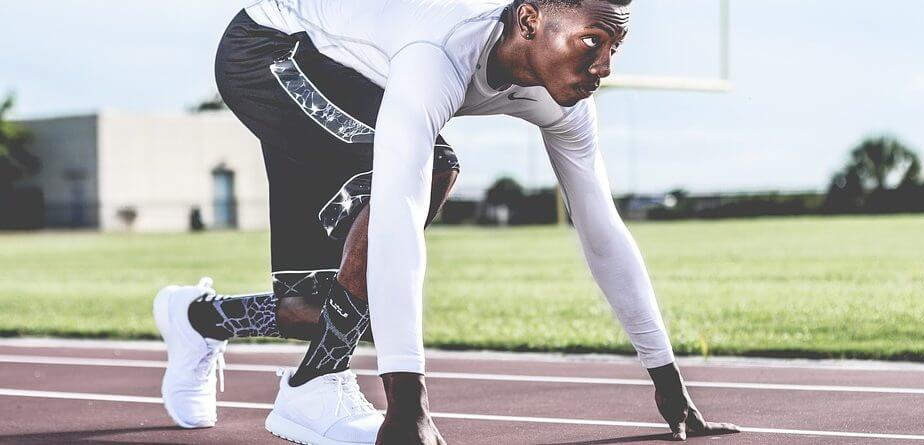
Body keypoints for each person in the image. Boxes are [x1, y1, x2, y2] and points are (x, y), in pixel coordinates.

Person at [152, 0, 740, 443]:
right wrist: (407, 407)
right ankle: (313, 388)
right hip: (269, 49)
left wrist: (670, 387)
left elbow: (602, 231)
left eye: (614, 49)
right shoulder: (437, 53)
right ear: (530, 21)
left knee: (317, 308)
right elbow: (400, 217)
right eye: (593, 41)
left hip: (344, 67)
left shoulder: (565, 103)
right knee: (432, 167)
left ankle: (197, 318)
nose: (605, 65)